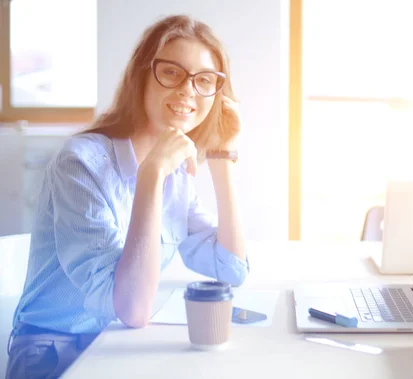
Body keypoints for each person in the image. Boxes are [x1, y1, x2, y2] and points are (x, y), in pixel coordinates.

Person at [5, 14, 248, 378]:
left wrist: (221, 155)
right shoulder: (82, 163)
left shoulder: (178, 171)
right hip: (55, 351)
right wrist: (152, 173)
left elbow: (231, 269)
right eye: (171, 73)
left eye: (205, 81)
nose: (188, 91)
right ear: (140, 76)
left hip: (120, 346)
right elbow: (132, 309)